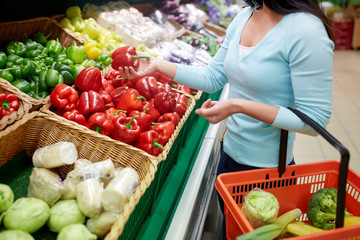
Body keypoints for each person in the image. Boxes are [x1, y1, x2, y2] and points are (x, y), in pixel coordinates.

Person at [118, 0, 334, 238]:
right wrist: (157, 65)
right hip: (228, 161)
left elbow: (315, 120)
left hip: (269, 173)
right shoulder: (246, 16)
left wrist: (238, 106)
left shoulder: (306, 29)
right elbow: (213, 77)